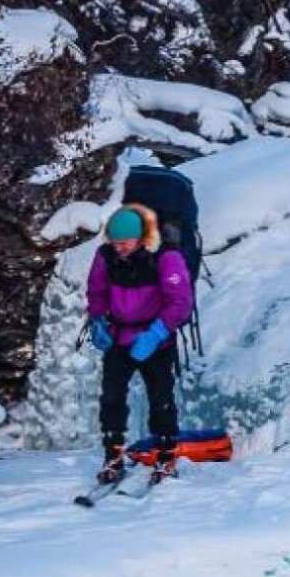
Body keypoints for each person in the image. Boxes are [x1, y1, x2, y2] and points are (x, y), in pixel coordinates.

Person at [87, 203, 194, 483]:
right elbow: (96, 291)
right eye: (114, 242)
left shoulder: (166, 258)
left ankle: (166, 454)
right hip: (119, 337)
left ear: (140, 238)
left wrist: (157, 333)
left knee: (161, 399)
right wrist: (98, 321)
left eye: (123, 243)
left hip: (156, 339)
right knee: (111, 399)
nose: (118, 248)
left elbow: (180, 302)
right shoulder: (106, 256)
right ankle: (113, 456)